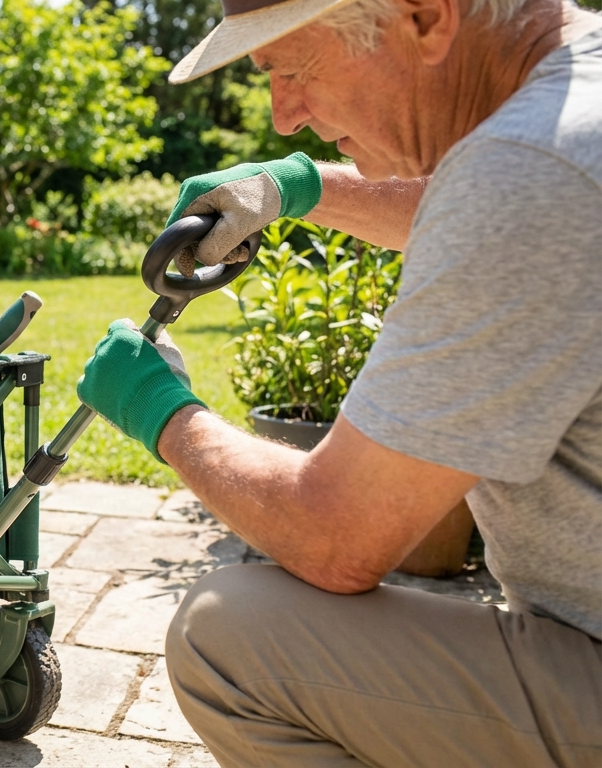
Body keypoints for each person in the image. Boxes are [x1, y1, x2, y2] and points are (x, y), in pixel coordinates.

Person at [75, 0, 602, 762]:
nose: (283, 117)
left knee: (229, 637)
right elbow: (475, 203)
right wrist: (297, 187)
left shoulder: (527, 173)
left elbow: (336, 538)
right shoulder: (569, 109)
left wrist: (161, 410)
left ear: (424, 16)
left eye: (292, 69)